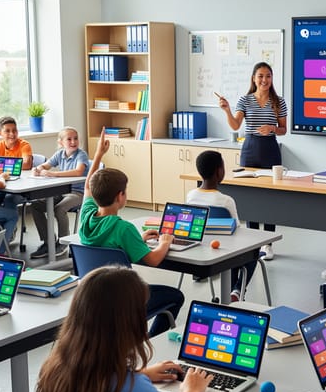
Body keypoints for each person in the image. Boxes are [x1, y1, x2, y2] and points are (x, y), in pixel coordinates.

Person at [37, 265, 212, 392]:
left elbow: (101, 383)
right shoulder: (132, 389)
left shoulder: (54, 368)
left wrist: (142, 374)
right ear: (129, 324)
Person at [79, 129, 184, 337]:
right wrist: (164, 242)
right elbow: (153, 260)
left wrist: (99, 154)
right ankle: (149, 339)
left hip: (93, 298)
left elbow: (86, 187)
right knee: (176, 296)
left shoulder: (86, 216)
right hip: (122, 301)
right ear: (120, 196)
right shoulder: (123, 228)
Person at [217, 62, 287, 260]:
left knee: (270, 198)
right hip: (249, 150)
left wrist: (272, 128)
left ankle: (268, 244)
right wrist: (227, 110)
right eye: (261, 76)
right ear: (254, 78)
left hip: (270, 150)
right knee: (252, 197)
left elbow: (283, 129)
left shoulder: (279, 102)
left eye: (268, 76)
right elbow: (235, 125)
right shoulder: (245, 100)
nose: (264, 80)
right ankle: (252, 244)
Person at [186, 150, 257, 301]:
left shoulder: (190, 195)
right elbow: (236, 229)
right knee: (253, 249)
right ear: (219, 172)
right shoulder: (226, 201)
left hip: (199, 247)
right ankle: (237, 291)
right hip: (224, 251)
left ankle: (232, 292)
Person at [29, 127, 90, 259]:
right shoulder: (60, 154)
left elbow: (79, 171)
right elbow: (46, 165)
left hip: (78, 193)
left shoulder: (81, 155)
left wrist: (54, 174)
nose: (73, 142)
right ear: (61, 142)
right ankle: (48, 242)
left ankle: (63, 242)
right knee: (35, 205)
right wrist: (38, 168)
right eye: (69, 139)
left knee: (59, 208)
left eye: (75, 138)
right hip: (62, 191)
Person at [0, 116, 33, 208]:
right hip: (4, 186)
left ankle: (10, 220)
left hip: (21, 187)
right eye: (7, 131)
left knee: (9, 201)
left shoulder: (24, 145)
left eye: (14, 130)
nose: (12, 134)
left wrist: (0, 166)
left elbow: (27, 164)